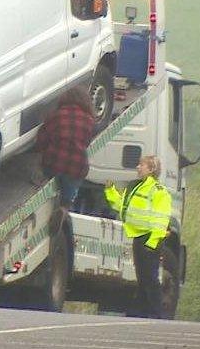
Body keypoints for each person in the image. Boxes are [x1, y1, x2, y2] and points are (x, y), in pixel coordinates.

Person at [104, 155, 172, 319]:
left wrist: (152, 243)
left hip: (150, 239)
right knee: (142, 276)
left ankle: (155, 312)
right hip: (138, 237)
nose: (138, 167)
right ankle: (142, 310)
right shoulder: (135, 187)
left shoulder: (158, 191)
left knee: (150, 277)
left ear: (151, 169)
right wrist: (110, 191)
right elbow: (122, 206)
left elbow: (161, 219)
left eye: (142, 165)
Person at [35, 86, 96, 208]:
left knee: (44, 171)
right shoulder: (89, 120)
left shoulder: (55, 115)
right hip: (77, 167)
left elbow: (41, 140)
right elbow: (87, 142)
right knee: (67, 199)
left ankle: (48, 187)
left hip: (54, 164)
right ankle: (64, 209)